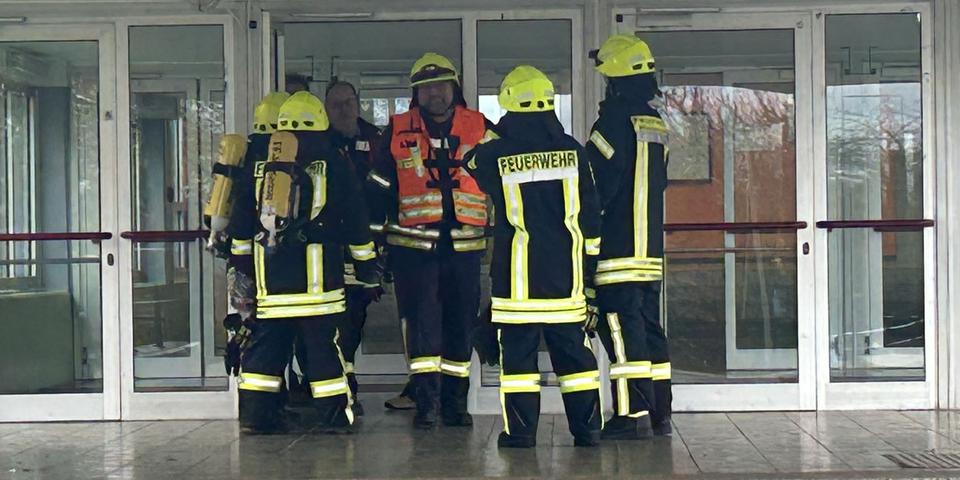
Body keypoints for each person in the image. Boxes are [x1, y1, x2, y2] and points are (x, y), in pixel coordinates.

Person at [464, 65, 604, 448]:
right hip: (566, 279)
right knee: (576, 361)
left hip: (517, 281)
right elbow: (591, 216)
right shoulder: (573, 150)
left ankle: (521, 434)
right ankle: (588, 430)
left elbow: (470, 162)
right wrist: (589, 274)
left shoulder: (497, 153)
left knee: (519, 364)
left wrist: (497, 133)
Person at [232, 91, 380, 434]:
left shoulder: (261, 164)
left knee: (265, 354)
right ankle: (333, 419)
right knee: (324, 353)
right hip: (319, 286)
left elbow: (241, 226)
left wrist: (244, 274)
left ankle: (256, 418)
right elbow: (356, 220)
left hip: (271, 285)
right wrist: (367, 269)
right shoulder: (332, 161)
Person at [369, 52, 489, 429]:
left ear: (455, 88)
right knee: (422, 328)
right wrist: (373, 246)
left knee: (460, 325)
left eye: (441, 85)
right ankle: (426, 403)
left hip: (464, 250)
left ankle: (455, 405)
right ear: (416, 93)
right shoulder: (396, 129)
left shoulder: (482, 127)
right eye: (426, 87)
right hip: (413, 252)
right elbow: (378, 190)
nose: (435, 94)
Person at [586, 34, 672, 438]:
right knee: (650, 331)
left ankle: (630, 417)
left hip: (617, 252)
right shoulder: (656, 124)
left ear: (614, 80)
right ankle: (660, 413)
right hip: (649, 254)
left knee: (622, 334)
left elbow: (596, 187)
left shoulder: (613, 123)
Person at [324, 80, 386, 416]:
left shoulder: (375, 139)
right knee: (338, 324)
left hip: (369, 249)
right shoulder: (319, 144)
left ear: (358, 103)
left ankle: (343, 386)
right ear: (325, 109)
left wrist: (365, 188)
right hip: (331, 250)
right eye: (336, 104)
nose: (344, 109)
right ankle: (345, 389)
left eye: (349, 102)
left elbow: (389, 182)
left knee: (355, 319)